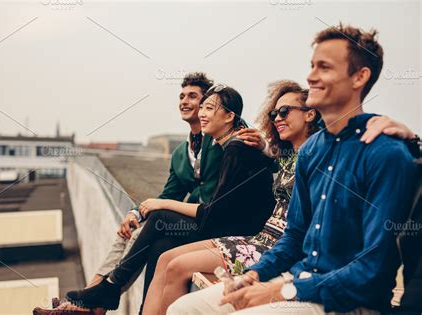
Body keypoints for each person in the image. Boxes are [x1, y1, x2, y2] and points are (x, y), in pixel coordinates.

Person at [168, 23, 419, 315]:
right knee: (185, 308)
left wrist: (281, 290)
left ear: (359, 77)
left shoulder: (386, 152)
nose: (311, 76)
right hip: (297, 282)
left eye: (324, 67)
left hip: (344, 301)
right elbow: (294, 236)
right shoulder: (312, 150)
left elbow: (372, 269)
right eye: (312, 66)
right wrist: (253, 276)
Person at [33, 73, 264, 315]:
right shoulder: (181, 152)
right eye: (182, 96)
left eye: (196, 98)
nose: (186, 102)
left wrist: (266, 146)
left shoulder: (225, 140)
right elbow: (171, 191)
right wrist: (136, 211)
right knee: (148, 238)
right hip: (204, 218)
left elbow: (239, 125)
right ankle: (101, 300)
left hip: (216, 221)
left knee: (157, 220)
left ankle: (99, 296)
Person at [143, 80, 321, 315]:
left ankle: (108, 288)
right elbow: (273, 159)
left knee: (175, 265)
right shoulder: (287, 157)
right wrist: (266, 146)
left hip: (274, 247)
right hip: (261, 238)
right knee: (165, 257)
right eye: (274, 112)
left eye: (285, 111)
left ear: (310, 115)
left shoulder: (318, 158)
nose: (277, 117)